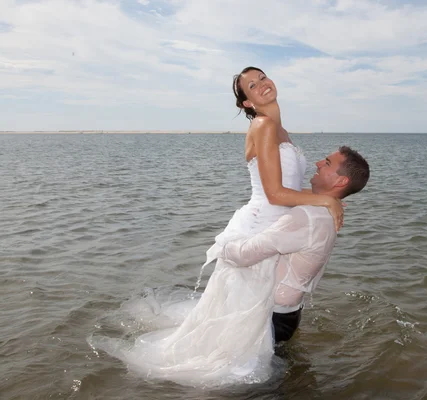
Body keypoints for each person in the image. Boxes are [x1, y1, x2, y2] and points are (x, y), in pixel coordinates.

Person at [90, 67, 345, 386]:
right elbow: (275, 194)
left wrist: (326, 197)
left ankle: (278, 353)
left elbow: (289, 186)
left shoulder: (278, 128)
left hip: (279, 222)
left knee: (259, 310)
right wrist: (325, 201)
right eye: (252, 86)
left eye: (262, 78)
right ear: (246, 103)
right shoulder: (263, 126)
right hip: (261, 223)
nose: (262, 85)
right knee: (244, 321)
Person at [220, 146, 370, 342]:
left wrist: (224, 243)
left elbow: (242, 255)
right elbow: (285, 194)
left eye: (326, 163)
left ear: (341, 181)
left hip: (270, 318)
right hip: (288, 313)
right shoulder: (325, 212)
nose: (317, 164)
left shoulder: (306, 217)